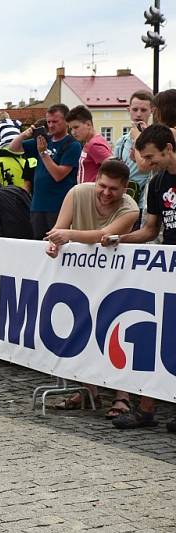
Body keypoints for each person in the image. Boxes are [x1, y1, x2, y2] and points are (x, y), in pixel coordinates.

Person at [43, 159, 139, 415]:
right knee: (83, 328)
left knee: (117, 333)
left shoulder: (130, 209)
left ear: (125, 188)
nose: (107, 193)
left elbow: (105, 234)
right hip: (83, 275)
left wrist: (69, 236)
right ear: (96, 181)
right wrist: (54, 243)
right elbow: (59, 229)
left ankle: (123, 394)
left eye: (114, 190)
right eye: (103, 186)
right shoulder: (77, 193)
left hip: (118, 279)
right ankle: (88, 389)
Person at [101, 124, 176, 432]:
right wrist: (119, 238)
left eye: (150, 157)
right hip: (167, 268)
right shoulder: (158, 182)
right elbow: (150, 230)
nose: (146, 164)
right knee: (156, 335)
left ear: (168, 149)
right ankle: (146, 408)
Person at [9, 104, 82, 240]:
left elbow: (58, 175)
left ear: (66, 121)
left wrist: (43, 153)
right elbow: (13, 148)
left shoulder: (72, 144)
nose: (51, 125)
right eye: (49, 122)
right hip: (38, 204)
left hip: (58, 205)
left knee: (56, 243)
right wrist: (25, 134)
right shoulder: (44, 140)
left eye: (55, 121)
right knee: (38, 243)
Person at [112, 90, 155, 217]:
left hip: (147, 202)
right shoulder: (123, 141)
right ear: (128, 109)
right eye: (135, 109)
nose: (138, 114)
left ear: (152, 111)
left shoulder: (156, 138)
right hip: (124, 201)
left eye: (143, 110)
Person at [65, 105, 112, 184]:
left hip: (92, 193)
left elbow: (115, 167)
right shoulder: (91, 141)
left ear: (88, 124)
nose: (73, 132)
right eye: (71, 129)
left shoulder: (94, 144)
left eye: (76, 127)